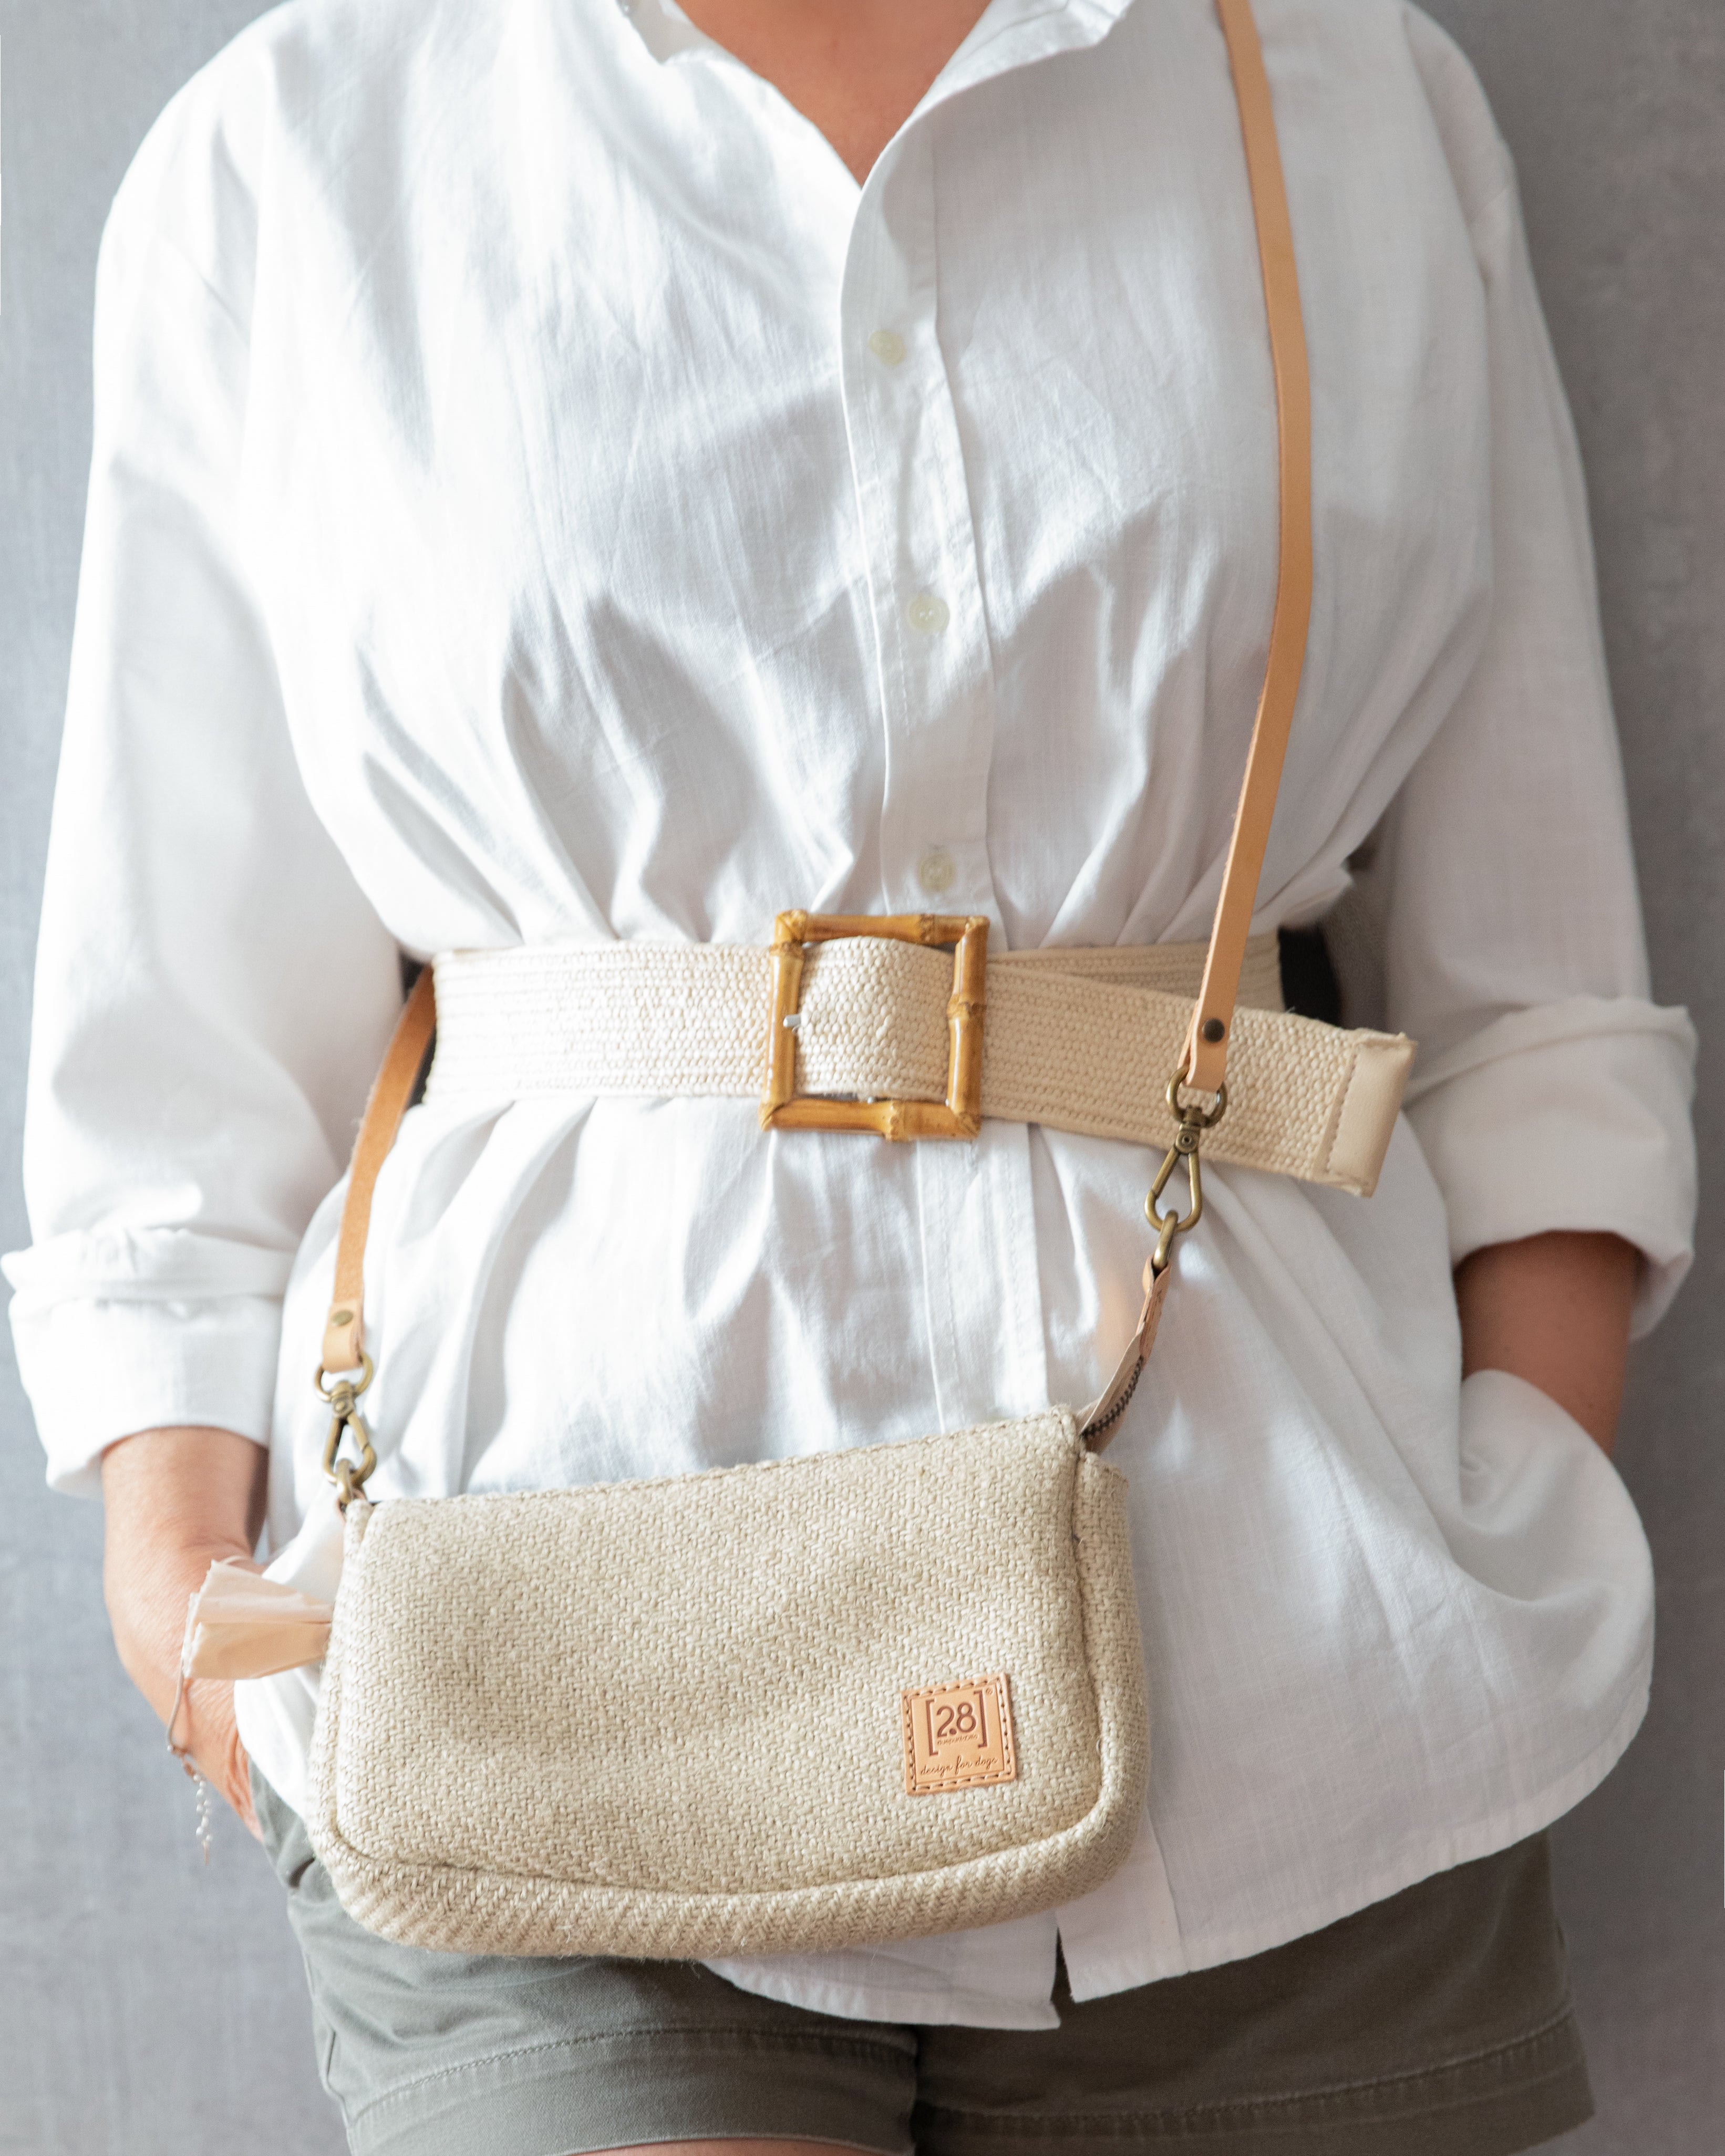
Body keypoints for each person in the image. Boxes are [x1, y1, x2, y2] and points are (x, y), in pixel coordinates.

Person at [7, 0, 1698, 2151]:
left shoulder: (1350, 96)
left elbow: (1530, 989)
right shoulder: (302, 143)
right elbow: (179, 1013)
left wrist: (1526, 1478)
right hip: (526, 1664)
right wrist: (187, 1589)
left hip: (1295, 1667)